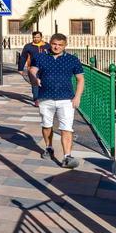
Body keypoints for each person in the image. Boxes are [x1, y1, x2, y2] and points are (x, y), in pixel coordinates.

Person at [29, 32, 85, 169]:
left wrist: (77, 97)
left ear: (65, 45)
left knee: (66, 128)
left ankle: (67, 157)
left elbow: (80, 79)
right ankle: (49, 148)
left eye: (60, 45)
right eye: (54, 44)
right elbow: (32, 71)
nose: (56, 47)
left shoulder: (72, 60)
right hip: (45, 98)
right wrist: (34, 78)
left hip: (66, 99)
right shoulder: (40, 57)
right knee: (46, 125)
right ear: (50, 43)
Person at [17, 31, 50, 106]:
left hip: (45, 68)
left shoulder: (47, 46)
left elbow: (53, 56)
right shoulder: (28, 46)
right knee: (35, 83)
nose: (36, 39)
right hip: (33, 68)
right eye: (34, 37)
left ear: (41, 37)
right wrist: (20, 69)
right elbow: (23, 57)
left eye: (38, 37)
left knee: (45, 83)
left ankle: (44, 97)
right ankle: (36, 99)